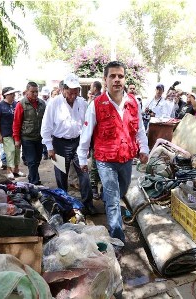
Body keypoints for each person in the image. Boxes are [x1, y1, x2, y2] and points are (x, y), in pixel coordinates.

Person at [77, 61, 149, 246]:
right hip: (105, 160)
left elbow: (140, 128)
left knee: (121, 191)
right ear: (105, 79)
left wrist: (144, 148)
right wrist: (83, 158)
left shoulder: (133, 102)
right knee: (113, 200)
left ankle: (108, 196)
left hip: (126, 158)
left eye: (120, 76)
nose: (117, 80)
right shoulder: (96, 104)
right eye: (112, 76)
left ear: (124, 79)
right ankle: (117, 238)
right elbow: (86, 133)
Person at [41, 73, 95, 214]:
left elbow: (86, 125)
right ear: (63, 89)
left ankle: (88, 204)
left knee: (83, 173)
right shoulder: (54, 103)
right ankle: (63, 204)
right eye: (70, 91)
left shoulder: (82, 103)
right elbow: (46, 127)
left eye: (75, 91)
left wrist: (86, 145)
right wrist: (49, 147)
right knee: (61, 175)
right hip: (59, 144)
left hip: (78, 143)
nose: (72, 95)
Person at [13, 82, 46, 185]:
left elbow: (46, 121)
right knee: (31, 161)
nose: (35, 94)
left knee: (37, 160)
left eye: (36, 91)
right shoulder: (21, 104)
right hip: (27, 138)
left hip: (39, 137)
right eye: (32, 92)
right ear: (27, 91)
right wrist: (17, 139)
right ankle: (35, 183)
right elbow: (16, 123)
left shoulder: (42, 103)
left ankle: (32, 177)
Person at [0, 87, 24, 179]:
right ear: (5, 95)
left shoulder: (17, 104)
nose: (13, 95)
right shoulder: (0, 106)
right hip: (6, 132)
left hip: (17, 133)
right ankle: (9, 170)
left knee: (17, 151)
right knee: (10, 151)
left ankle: (16, 169)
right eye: (11, 94)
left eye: (13, 94)